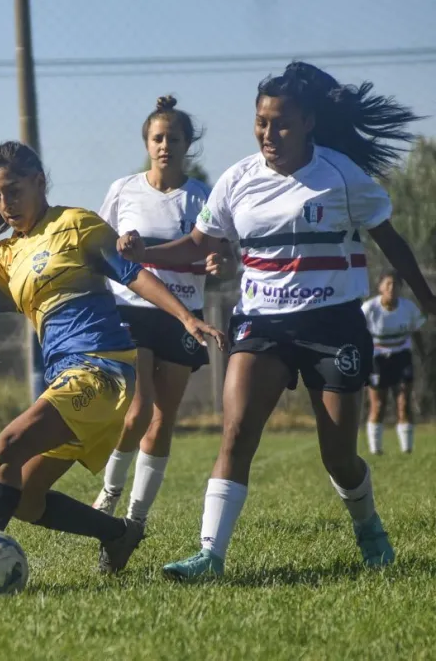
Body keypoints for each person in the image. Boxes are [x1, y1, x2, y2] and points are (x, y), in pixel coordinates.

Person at [0, 141, 226, 591]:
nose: (4, 203)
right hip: (69, 379)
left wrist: (186, 316)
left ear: (39, 182)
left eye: (12, 190)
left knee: (6, 447)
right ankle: (118, 534)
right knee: (26, 498)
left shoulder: (76, 224)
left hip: (101, 370)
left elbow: (133, 273)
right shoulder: (6, 255)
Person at [117, 62, 431, 580]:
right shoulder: (238, 180)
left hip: (332, 326)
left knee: (339, 458)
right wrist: (145, 252)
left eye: (281, 122)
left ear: (308, 122)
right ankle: (210, 556)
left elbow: (391, 242)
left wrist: (427, 297)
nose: (268, 133)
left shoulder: (342, 176)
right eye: (261, 121)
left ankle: (369, 525)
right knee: (236, 433)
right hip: (262, 324)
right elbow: (200, 245)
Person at [91, 96, 217, 526]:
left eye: (174, 138)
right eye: (158, 138)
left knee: (163, 419)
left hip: (184, 312)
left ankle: (136, 518)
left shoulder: (202, 197)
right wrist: (121, 246)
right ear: (147, 143)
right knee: (138, 409)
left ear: (188, 144)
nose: (165, 145)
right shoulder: (124, 189)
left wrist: (219, 263)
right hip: (133, 309)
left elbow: (220, 254)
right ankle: (107, 495)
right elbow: (101, 246)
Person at [362, 271, 427, 454]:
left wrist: (422, 355)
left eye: (396, 284)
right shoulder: (369, 309)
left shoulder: (408, 308)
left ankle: (407, 450)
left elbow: (417, 332)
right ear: (380, 287)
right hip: (377, 358)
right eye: (388, 284)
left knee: (404, 402)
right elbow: (357, 334)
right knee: (379, 404)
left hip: (402, 356)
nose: (392, 288)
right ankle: (376, 450)